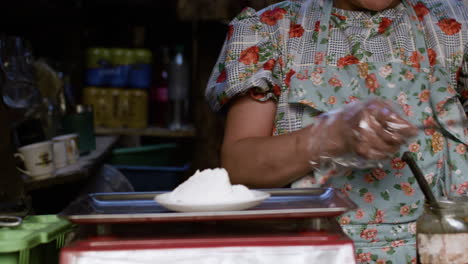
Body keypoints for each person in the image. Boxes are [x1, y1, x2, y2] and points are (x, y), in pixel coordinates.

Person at [205, 0, 468, 262]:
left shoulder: (454, 25)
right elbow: (239, 166)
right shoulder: (270, 30)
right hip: (316, 253)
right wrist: (324, 138)